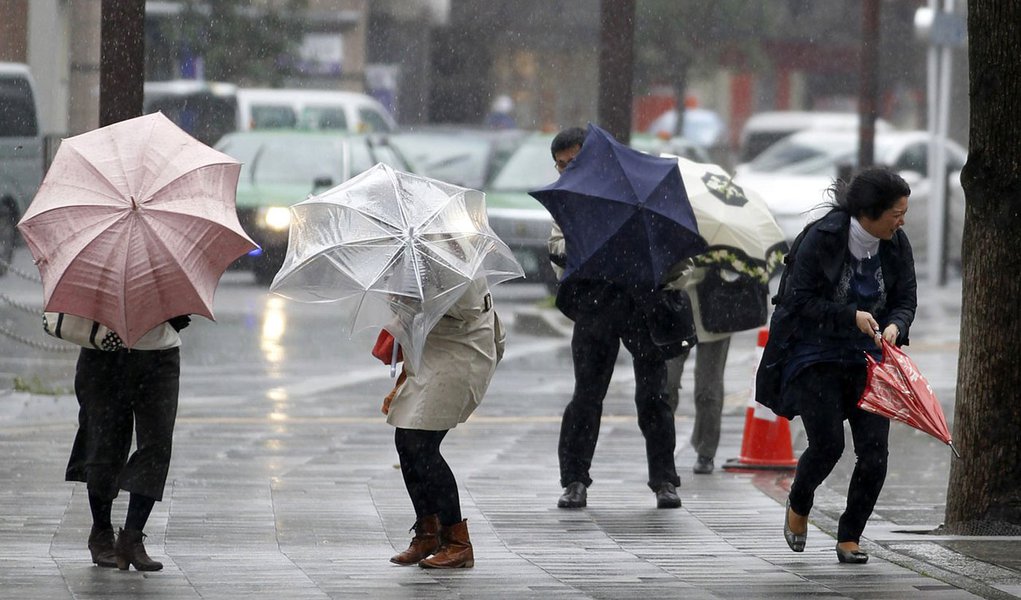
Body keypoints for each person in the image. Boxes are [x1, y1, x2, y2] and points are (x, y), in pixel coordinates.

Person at [760, 167, 915, 564]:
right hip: (818, 355)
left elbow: (905, 297)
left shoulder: (896, 243)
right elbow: (798, 300)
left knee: (875, 454)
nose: (902, 220)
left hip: (870, 359)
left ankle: (850, 535)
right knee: (828, 445)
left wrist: (897, 323)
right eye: (896, 213)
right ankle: (799, 500)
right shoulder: (822, 238)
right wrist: (851, 316)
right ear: (868, 212)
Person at [548, 127, 688, 510]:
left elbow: (680, 257)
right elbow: (556, 250)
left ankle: (664, 479)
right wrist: (583, 245)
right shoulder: (570, 201)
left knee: (654, 396)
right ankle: (574, 479)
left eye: (572, 162)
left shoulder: (638, 188)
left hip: (645, 304)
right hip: (597, 303)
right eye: (560, 165)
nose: (566, 171)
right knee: (587, 395)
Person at [383, 278, 505, 569]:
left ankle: (457, 542)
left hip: (462, 346)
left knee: (420, 443)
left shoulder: (453, 244)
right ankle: (428, 532)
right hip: (433, 349)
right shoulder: (411, 253)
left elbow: (461, 302)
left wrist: (415, 293)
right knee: (406, 440)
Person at [67, 314, 191, 571]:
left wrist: (176, 314)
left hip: (160, 354)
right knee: (105, 444)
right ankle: (101, 532)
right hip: (103, 353)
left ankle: (132, 537)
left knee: (157, 445)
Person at [664, 266, 732, 475]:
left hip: (715, 309)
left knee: (708, 390)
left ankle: (706, 451)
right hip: (674, 310)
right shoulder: (674, 234)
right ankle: (662, 450)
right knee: (667, 384)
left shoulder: (723, 235)